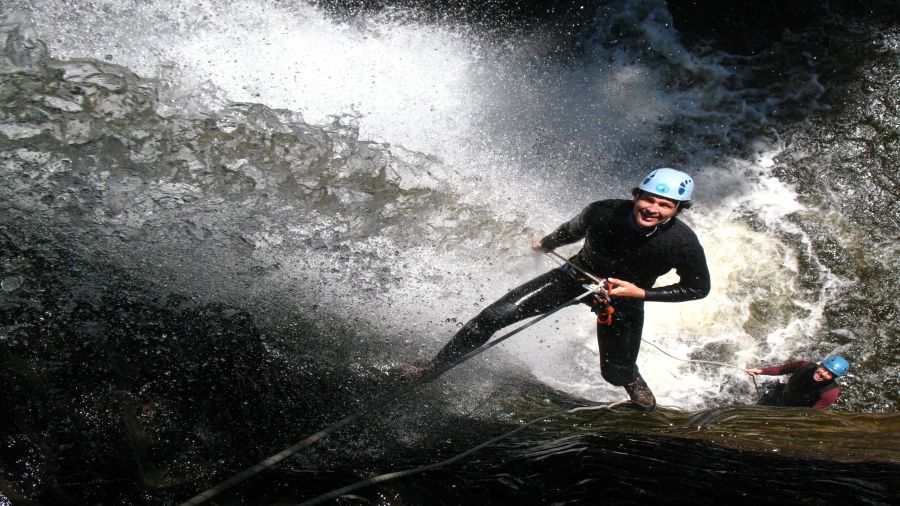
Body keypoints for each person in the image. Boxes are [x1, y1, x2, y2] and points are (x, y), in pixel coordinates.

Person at [404, 168, 711, 410]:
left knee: (614, 374)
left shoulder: (682, 243)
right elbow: (571, 230)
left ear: (677, 209)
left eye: (664, 204)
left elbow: (698, 288)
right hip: (573, 278)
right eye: (648, 199)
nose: (652, 209)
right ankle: (433, 368)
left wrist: (639, 293)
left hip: (622, 299)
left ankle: (631, 378)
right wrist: (547, 243)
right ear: (636, 196)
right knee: (491, 318)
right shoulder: (602, 212)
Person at [747, 355, 850, 410]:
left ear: (834, 377)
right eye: (824, 369)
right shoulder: (803, 365)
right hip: (781, 394)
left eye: (829, 374)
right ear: (820, 365)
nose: (823, 374)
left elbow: (812, 413)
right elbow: (781, 370)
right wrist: (760, 371)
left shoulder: (830, 393)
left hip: (794, 410)